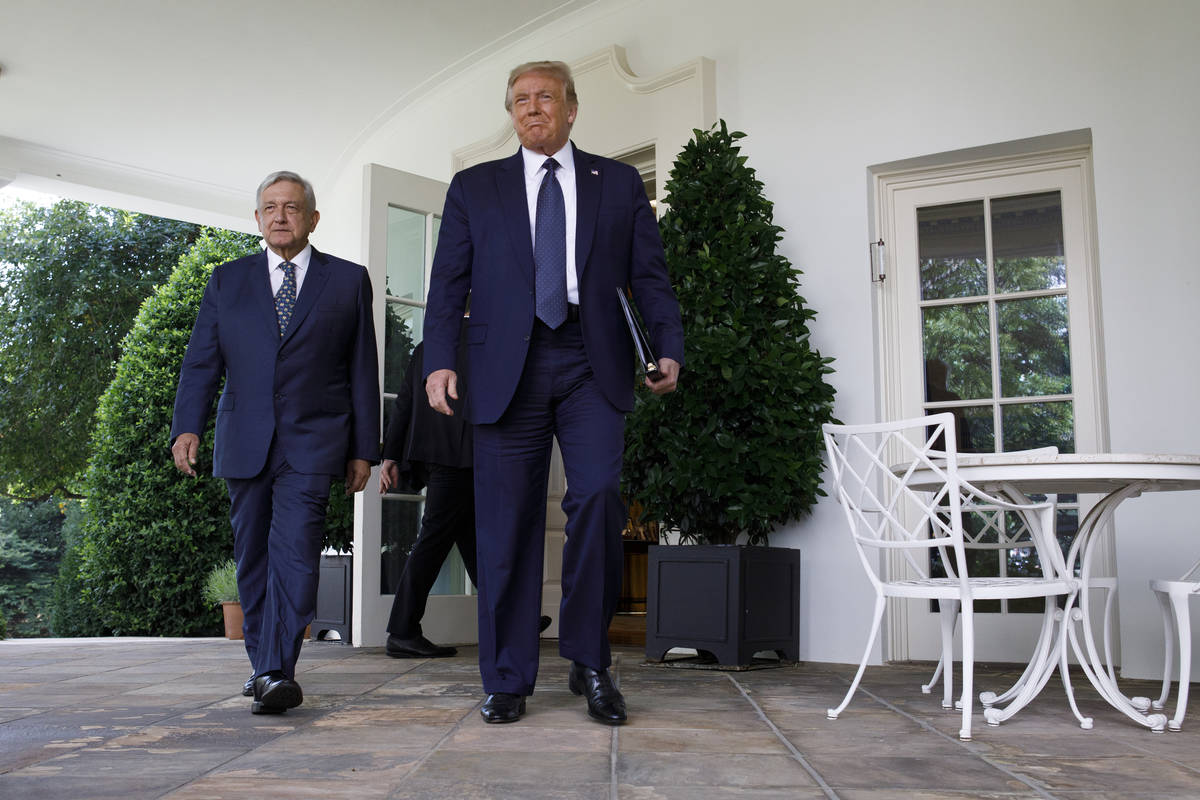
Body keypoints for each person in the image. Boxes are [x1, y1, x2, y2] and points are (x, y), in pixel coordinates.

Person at [422, 61, 684, 725]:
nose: (531, 108)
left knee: (597, 497)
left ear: (571, 108)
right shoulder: (474, 188)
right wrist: (438, 361)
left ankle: (591, 661)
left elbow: (649, 275)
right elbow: (448, 284)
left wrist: (667, 347)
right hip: (505, 365)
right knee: (505, 521)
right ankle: (507, 676)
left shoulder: (619, 182)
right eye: (519, 101)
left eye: (544, 97)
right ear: (511, 114)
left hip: (590, 358)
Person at [170, 171, 379, 715]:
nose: (280, 216)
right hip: (245, 439)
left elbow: (362, 370)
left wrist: (365, 447)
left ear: (312, 218)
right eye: (270, 207)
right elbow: (201, 363)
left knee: (297, 554)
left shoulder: (348, 280)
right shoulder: (227, 281)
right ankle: (264, 665)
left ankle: (275, 669)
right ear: (257, 219)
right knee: (253, 557)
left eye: (291, 207)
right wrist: (186, 426)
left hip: (314, 441)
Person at [379, 334, 476, 658]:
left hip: (435, 455)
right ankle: (402, 630)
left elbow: (404, 401)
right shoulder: (486, 340)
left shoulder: (428, 346)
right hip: (462, 457)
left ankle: (517, 619)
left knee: (472, 540)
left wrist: (391, 456)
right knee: (434, 539)